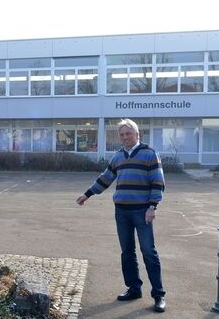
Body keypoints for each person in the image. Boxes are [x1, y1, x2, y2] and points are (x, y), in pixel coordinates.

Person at [76, 118, 166, 313]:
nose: (125, 137)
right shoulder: (118, 156)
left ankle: (158, 295)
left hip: (142, 211)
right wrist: (87, 194)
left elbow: (158, 182)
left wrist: (153, 207)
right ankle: (134, 288)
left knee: (149, 251)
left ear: (137, 134)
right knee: (127, 251)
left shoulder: (150, 154)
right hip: (122, 212)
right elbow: (105, 178)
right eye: (122, 134)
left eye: (128, 134)